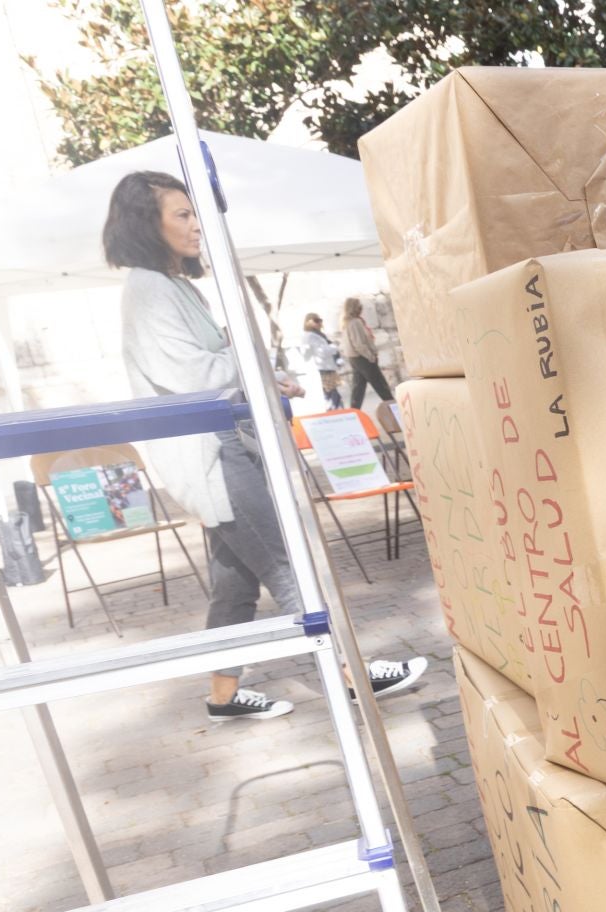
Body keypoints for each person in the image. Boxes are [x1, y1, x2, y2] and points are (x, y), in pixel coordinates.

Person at [108, 170, 427, 721]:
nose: (196, 225)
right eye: (182, 214)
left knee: (234, 581)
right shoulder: (147, 288)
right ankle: (352, 674)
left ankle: (223, 696)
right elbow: (193, 374)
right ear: (146, 222)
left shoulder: (172, 284)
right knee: (288, 564)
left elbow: (213, 367)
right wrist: (251, 357)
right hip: (213, 456)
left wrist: (264, 373)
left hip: (219, 449)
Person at [341, 297, 393, 411]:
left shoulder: (348, 322)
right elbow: (359, 344)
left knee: (358, 387)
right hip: (363, 358)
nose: (361, 308)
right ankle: (393, 407)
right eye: (359, 306)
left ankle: (354, 411)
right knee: (380, 384)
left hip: (355, 358)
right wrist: (371, 356)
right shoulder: (355, 322)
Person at [297, 313, 345, 410]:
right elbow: (322, 352)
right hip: (323, 369)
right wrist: (334, 346)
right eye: (316, 320)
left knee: (331, 394)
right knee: (331, 395)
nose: (319, 323)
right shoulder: (311, 336)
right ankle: (336, 412)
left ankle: (337, 411)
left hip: (326, 367)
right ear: (308, 322)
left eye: (320, 320)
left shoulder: (316, 334)